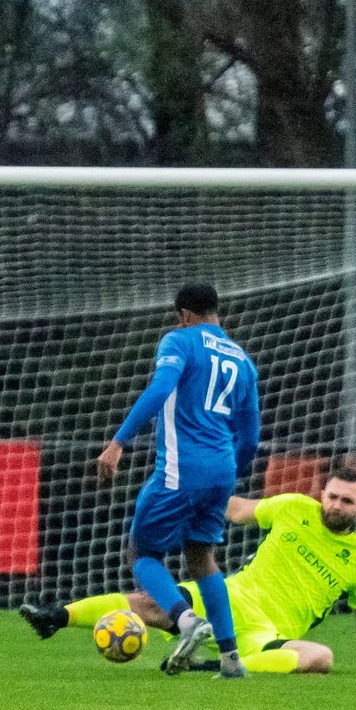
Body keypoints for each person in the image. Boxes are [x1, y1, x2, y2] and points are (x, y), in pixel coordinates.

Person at [23, 464, 356, 675]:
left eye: (346, 502)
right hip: (230, 597)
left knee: (320, 658)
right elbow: (236, 510)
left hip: (265, 633)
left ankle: (206, 664)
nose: (335, 506)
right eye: (331, 496)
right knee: (152, 601)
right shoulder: (293, 507)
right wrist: (197, 493)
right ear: (321, 493)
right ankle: (56, 616)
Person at [97, 282, 261, 677]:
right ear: (216, 311)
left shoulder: (180, 341)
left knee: (142, 554)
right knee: (201, 558)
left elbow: (161, 389)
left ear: (184, 314)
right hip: (222, 470)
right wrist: (228, 476)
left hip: (180, 469)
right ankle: (231, 659)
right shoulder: (242, 361)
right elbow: (251, 437)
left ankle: (186, 621)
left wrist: (119, 441)